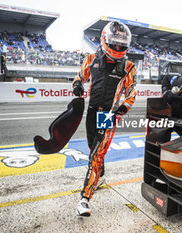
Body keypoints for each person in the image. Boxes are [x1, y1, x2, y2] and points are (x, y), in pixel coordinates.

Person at [72, 21, 136, 217]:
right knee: (93, 148)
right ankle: (101, 176)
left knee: (96, 156)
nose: (118, 48)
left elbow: (131, 92)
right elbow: (78, 78)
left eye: (121, 44)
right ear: (105, 40)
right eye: (114, 43)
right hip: (91, 111)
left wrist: (124, 107)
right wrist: (77, 87)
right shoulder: (90, 59)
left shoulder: (128, 66)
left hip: (109, 114)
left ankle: (84, 199)